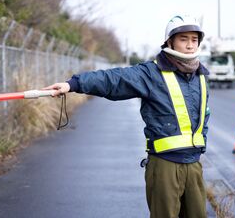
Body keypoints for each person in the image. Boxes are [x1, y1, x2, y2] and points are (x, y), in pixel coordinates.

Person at [43, 13, 210, 218]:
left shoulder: (200, 76)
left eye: (194, 40)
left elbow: (203, 119)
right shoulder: (151, 73)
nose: (190, 45)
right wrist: (73, 84)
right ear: (170, 41)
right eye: (183, 39)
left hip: (194, 164)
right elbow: (114, 79)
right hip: (165, 166)